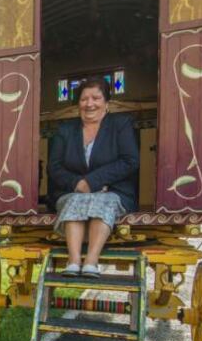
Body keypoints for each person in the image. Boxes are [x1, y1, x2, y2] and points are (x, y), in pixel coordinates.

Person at [47, 77, 139, 277]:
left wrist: (92, 182)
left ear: (107, 103)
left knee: (103, 202)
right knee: (74, 201)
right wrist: (78, 183)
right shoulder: (65, 130)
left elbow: (130, 161)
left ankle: (91, 261)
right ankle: (73, 261)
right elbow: (54, 167)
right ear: (78, 103)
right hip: (73, 191)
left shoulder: (120, 125)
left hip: (114, 191)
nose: (89, 104)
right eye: (84, 99)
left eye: (96, 98)